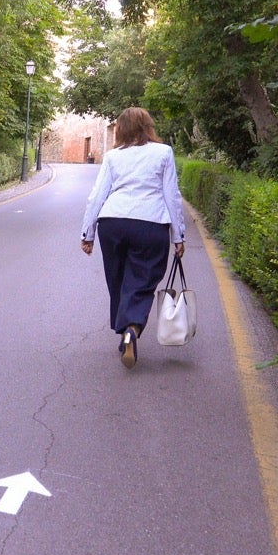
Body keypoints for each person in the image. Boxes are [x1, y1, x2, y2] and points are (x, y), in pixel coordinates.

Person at [80, 107, 186, 368]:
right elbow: (171, 195)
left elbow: (97, 195)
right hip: (150, 224)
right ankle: (132, 327)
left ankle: (124, 331)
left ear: (121, 129)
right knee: (142, 279)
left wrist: (88, 232)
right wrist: (178, 235)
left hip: (112, 222)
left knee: (117, 279)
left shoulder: (113, 156)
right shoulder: (163, 153)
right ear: (148, 126)